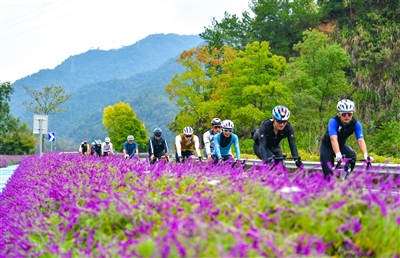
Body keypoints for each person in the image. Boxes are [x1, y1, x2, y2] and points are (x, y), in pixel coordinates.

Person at [320, 99, 373, 179]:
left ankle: (345, 179)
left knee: (352, 156)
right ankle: (327, 188)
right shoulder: (333, 121)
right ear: (339, 114)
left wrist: (366, 155)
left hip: (341, 146)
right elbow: (333, 139)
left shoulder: (356, 124)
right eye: (344, 114)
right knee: (328, 176)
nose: (347, 116)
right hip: (327, 147)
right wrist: (338, 154)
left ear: (352, 113)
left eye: (349, 114)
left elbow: (360, 140)